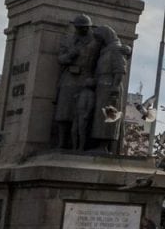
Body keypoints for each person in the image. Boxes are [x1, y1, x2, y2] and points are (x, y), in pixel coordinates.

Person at [55, 14, 101, 149]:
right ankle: (62, 143)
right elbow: (60, 59)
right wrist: (70, 55)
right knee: (63, 112)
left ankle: (81, 146)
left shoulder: (96, 41)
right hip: (69, 78)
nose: (80, 30)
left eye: (83, 28)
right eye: (78, 28)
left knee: (83, 116)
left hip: (86, 79)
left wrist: (126, 50)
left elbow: (109, 50)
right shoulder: (69, 40)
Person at [90, 25, 131, 154]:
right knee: (99, 117)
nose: (97, 42)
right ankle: (98, 145)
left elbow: (119, 70)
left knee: (108, 116)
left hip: (110, 87)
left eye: (99, 39)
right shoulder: (106, 50)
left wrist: (114, 87)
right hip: (102, 85)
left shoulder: (116, 49)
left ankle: (104, 146)